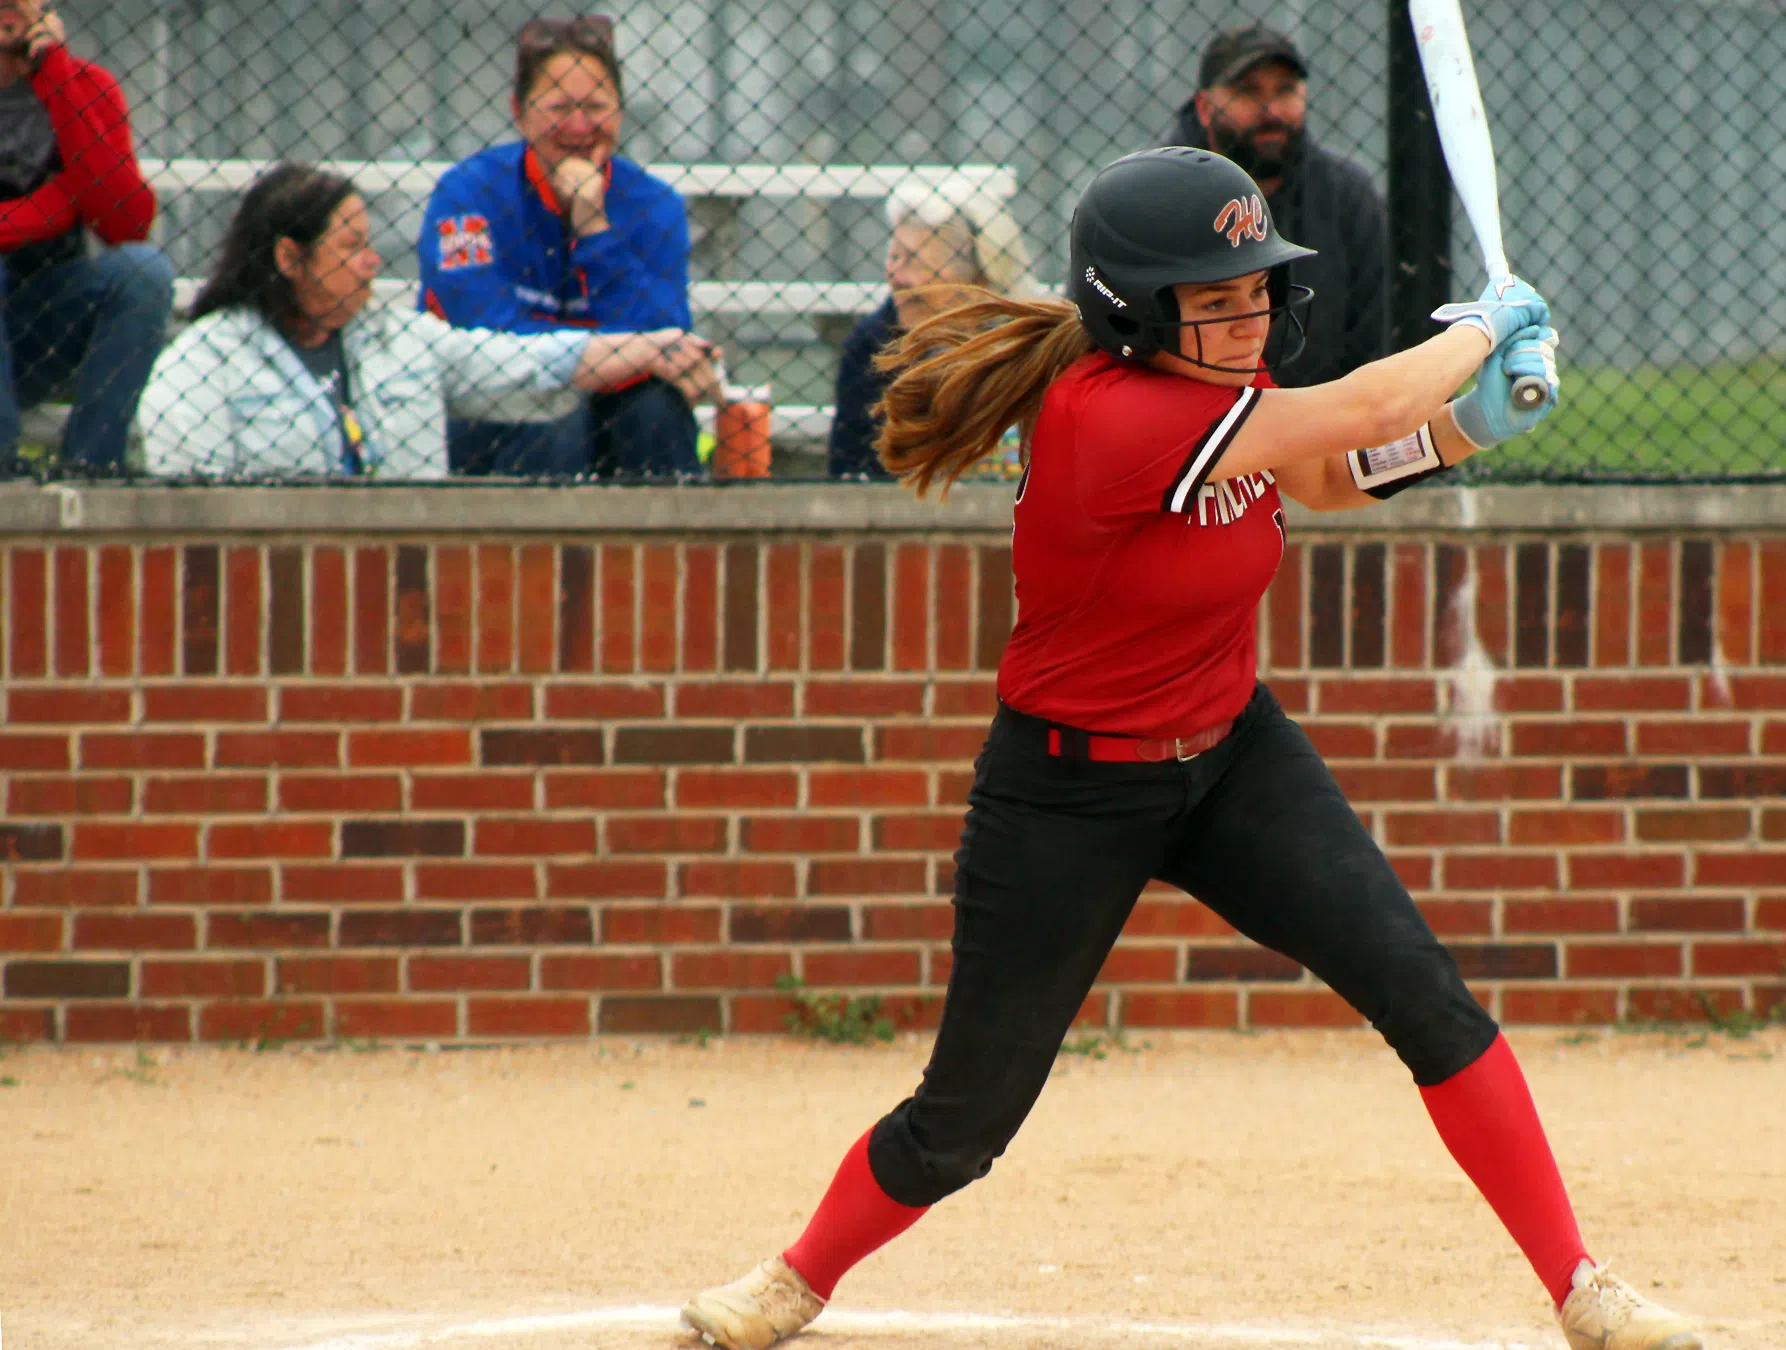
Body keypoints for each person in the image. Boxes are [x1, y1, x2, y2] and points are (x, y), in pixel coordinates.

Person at [677, 147, 1699, 1350]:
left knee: (1425, 996)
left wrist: (1466, 429)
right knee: (965, 1121)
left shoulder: (1222, 381)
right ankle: (795, 1279)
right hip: (1066, 791)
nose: (1249, 315)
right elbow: (1367, 408)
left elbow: (1330, 471)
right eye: (1214, 298)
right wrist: (1484, 326)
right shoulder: (1108, 416)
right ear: (1135, 311)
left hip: (1232, 759)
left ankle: (1581, 1285)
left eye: (1256, 288)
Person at [138, 164, 718, 479]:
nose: (372, 262)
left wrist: (656, 347)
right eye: (351, 246)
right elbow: (190, 510)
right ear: (290, 258)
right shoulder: (200, 365)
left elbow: (529, 363)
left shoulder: (398, 339)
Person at [417, 14, 700, 478]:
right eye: (558, 107)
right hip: (489, 411)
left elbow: (664, 333)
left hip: (612, 404)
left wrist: (593, 223)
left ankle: (676, 528)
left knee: (655, 410)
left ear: (620, 112)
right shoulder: (466, 195)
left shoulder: (656, 205)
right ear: (519, 112)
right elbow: (486, 338)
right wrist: (619, 354)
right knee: (555, 418)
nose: (578, 125)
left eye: (595, 106)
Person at [1158, 21, 1387, 390]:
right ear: (1204, 107)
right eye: (1247, 91)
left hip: (1323, 415)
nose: (1271, 110)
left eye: (1285, 90)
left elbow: (1373, 346)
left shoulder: (1347, 194)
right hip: (1185, 411)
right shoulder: (1151, 195)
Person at [0, 0, 172, 478]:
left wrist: (54, 73)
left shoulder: (86, 86)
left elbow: (126, 224)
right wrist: (61, 204)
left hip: (40, 324)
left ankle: (90, 472)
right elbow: (75, 202)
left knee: (144, 272)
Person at [827, 180, 1035, 480]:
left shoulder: (1031, 347)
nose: (894, 275)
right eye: (894, 256)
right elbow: (850, 468)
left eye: (913, 260)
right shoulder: (872, 347)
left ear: (978, 280)